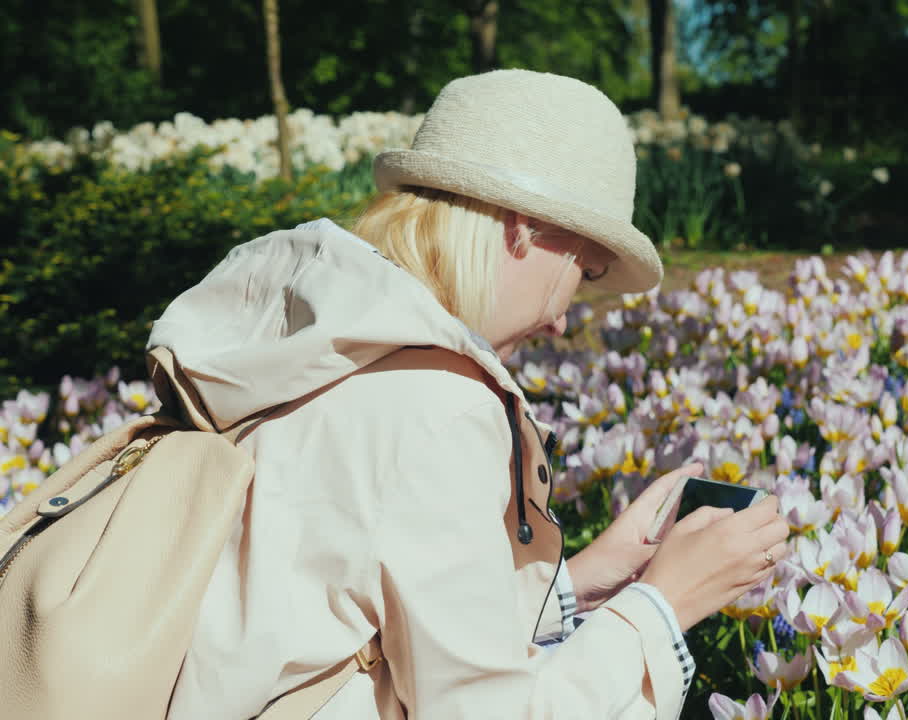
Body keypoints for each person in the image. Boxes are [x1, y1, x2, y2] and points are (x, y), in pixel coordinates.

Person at [154, 69, 789, 719]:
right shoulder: (437, 408)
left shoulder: (303, 354)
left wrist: (578, 583)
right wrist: (666, 602)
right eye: (585, 270)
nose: (562, 321)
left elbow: (342, 618)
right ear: (525, 229)